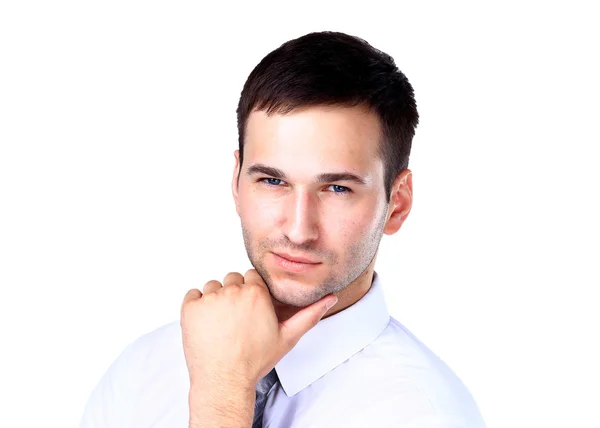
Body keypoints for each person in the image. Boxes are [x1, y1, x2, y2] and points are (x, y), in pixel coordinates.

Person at [80, 31, 486, 428]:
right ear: (236, 181)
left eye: (337, 188)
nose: (297, 229)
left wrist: (222, 399)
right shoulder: (140, 374)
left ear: (397, 203)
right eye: (273, 181)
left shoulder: (427, 414)